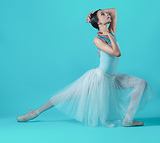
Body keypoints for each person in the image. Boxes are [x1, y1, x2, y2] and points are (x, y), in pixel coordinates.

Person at [17, 8, 155, 127]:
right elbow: (117, 53)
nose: (107, 15)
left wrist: (94, 13)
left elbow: (114, 11)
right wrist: (107, 34)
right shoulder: (98, 40)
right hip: (98, 80)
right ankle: (35, 113)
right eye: (102, 14)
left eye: (105, 13)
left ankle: (128, 120)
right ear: (99, 23)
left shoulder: (111, 32)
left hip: (113, 78)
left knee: (141, 84)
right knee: (65, 96)